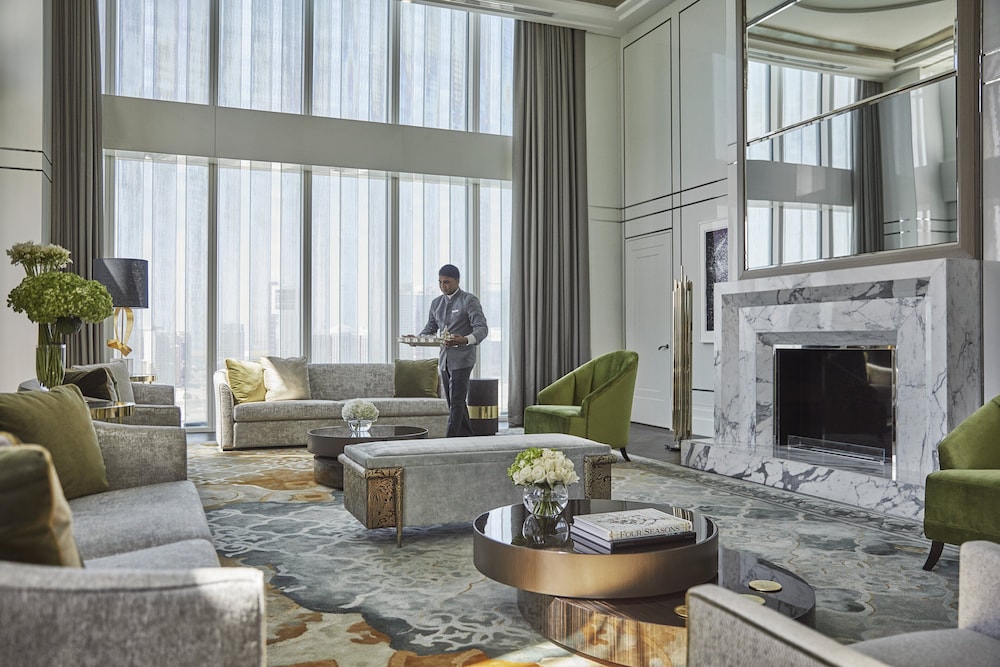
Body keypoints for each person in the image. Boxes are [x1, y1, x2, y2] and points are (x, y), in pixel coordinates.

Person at [418, 264, 488, 437]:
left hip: (463, 360)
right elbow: (430, 328)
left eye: (447, 282)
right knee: (455, 402)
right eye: (440, 282)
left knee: (456, 402)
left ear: (457, 281)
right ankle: (467, 437)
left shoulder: (469, 300)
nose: (443, 286)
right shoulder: (436, 303)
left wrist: (465, 339)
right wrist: (417, 339)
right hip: (444, 361)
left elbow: (482, 328)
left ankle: (449, 441)